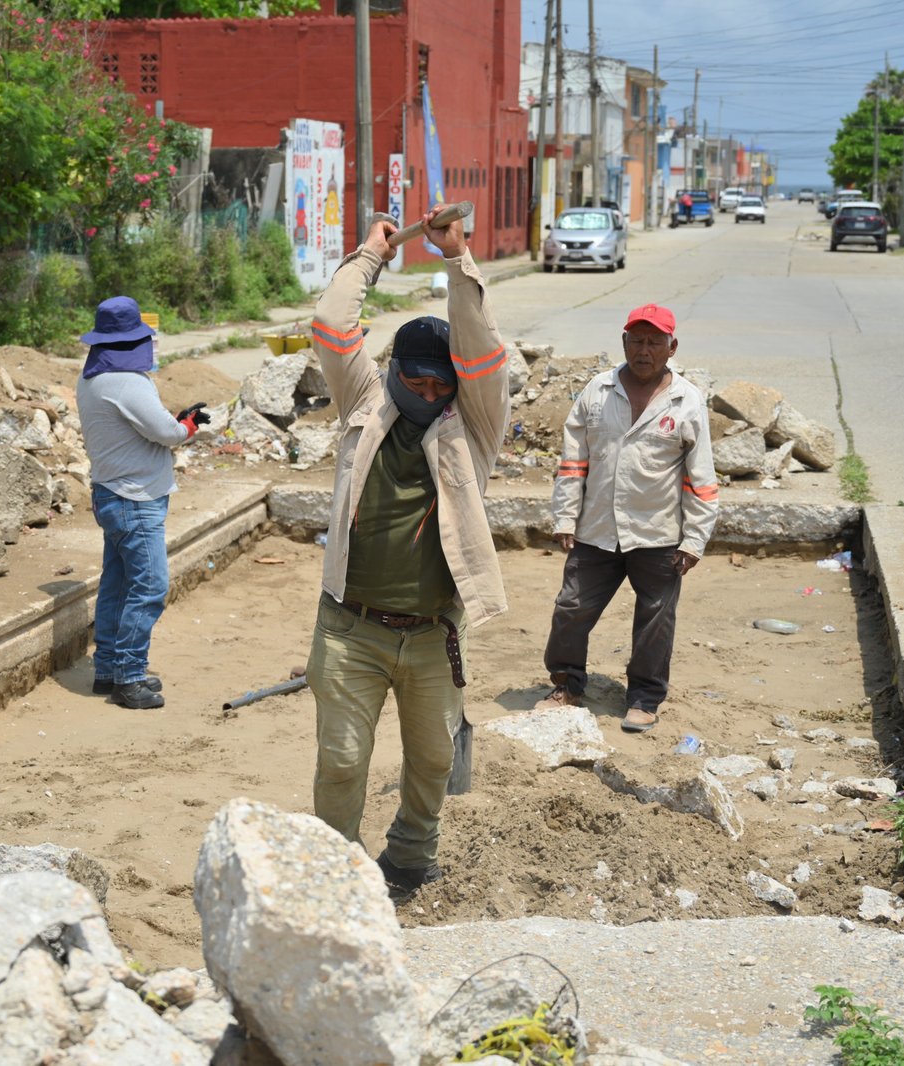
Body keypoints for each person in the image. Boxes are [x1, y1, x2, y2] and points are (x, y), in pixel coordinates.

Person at [307, 206, 510, 896]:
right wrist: (370, 257)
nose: (427, 397)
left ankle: (410, 856)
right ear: (393, 374)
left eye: (438, 386)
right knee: (340, 760)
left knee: (430, 761)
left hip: (431, 636)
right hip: (349, 628)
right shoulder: (364, 399)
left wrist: (457, 261)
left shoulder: (472, 423)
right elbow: (333, 328)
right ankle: (339, 871)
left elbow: (482, 351)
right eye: (416, 384)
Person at [537, 303, 718, 733]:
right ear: (623, 343)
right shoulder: (596, 392)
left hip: (658, 534)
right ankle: (566, 685)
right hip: (596, 529)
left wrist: (694, 540)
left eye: (655, 341)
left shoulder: (687, 402)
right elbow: (572, 462)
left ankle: (644, 697)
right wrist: (565, 517)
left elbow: (701, 479)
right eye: (636, 340)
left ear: (672, 347)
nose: (644, 350)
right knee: (571, 608)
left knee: (655, 620)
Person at [75, 296, 210, 710]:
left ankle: (108, 669)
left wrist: (174, 421)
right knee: (151, 585)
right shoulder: (128, 382)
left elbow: (141, 425)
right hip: (136, 499)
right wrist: (186, 425)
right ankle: (130, 678)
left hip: (111, 493)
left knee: (117, 583)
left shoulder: (93, 377)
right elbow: (167, 434)